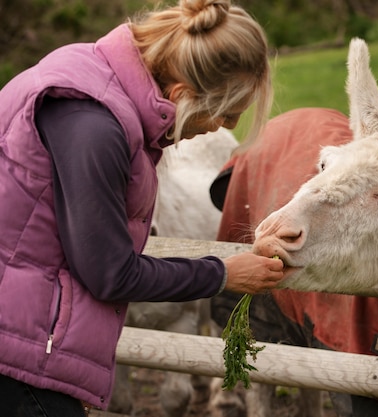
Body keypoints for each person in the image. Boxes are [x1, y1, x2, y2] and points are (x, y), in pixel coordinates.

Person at [0, 0, 284, 415]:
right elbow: (110, 274)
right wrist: (224, 273)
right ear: (183, 94)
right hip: (17, 354)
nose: (222, 130)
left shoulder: (91, 78)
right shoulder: (94, 124)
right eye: (225, 116)